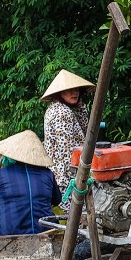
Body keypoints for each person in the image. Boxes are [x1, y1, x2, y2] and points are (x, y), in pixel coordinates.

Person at [0, 130, 61, 236]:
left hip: (9, 233)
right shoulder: (47, 174)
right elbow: (57, 200)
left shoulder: (2, 174)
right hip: (45, 230)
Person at [41, 69, 94, 209]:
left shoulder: (59, 109)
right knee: (74, 220)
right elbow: (66, 151)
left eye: (76, 89)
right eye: (69, 90)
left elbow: (86, 133)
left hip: (60, 176)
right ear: (60, 93)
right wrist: (76, 178)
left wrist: (81, 107)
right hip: (64, 178)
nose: (74, 93)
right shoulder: (62, 112)